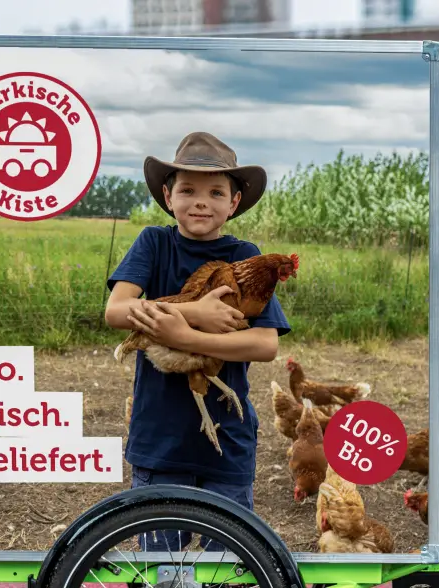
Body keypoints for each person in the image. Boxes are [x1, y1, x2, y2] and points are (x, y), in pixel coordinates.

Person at [103, 131, 292, 551]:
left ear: (234, 202)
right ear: (169, 197)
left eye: (215, 191)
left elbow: (265, 345)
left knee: (227, 564)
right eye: (188, 190)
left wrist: (185, 336)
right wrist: (194, 315)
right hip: (160, 441)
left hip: (228, 442)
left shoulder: (247, 256)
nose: (200, 201)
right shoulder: (153, 243)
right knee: (160, 566)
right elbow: (116, 311)